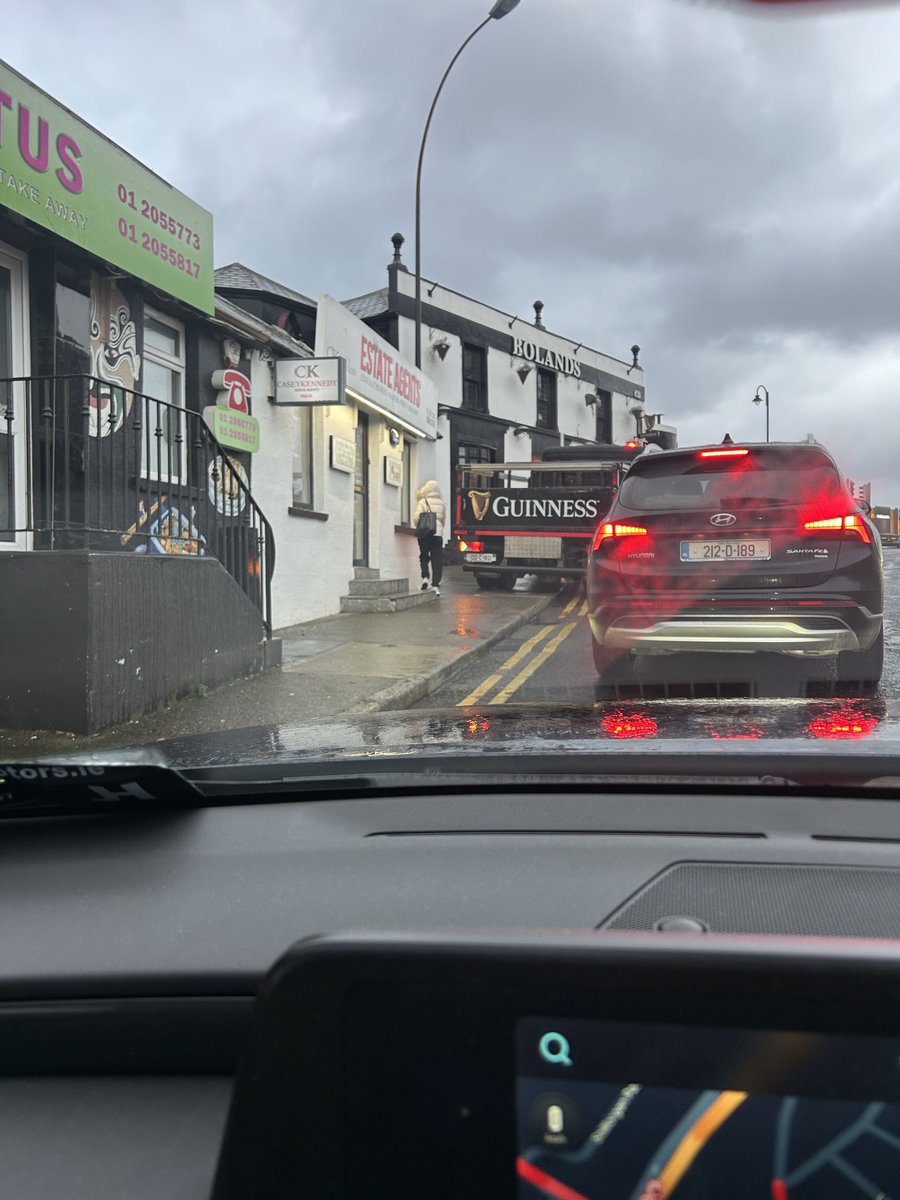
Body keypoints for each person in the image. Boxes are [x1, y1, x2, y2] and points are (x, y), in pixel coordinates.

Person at [413, 479, 446, 597]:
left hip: (425, 534)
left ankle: (425, 577)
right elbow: (443, 520)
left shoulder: (423, 501)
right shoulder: (441, 503)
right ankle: (436, 585)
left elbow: (416, 518)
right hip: (437, 534)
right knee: (437, 560)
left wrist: (420, 525)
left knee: (424, 556)